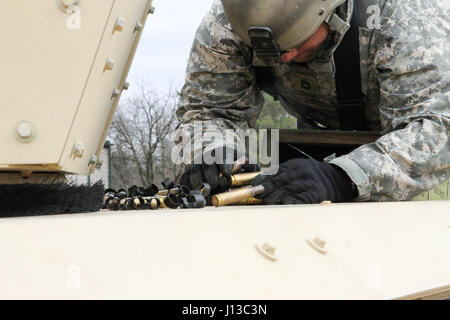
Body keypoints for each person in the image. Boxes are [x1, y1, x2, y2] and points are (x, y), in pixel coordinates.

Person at [175, 0, 449, 204]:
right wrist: (215, 153)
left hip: (411, 152)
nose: (283, 57)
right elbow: (207, 110)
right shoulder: (228, 24)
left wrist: (345, 177)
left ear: (329, 11)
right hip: (312, 134)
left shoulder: (401, 16)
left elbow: (437, 129)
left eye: (295, 40)